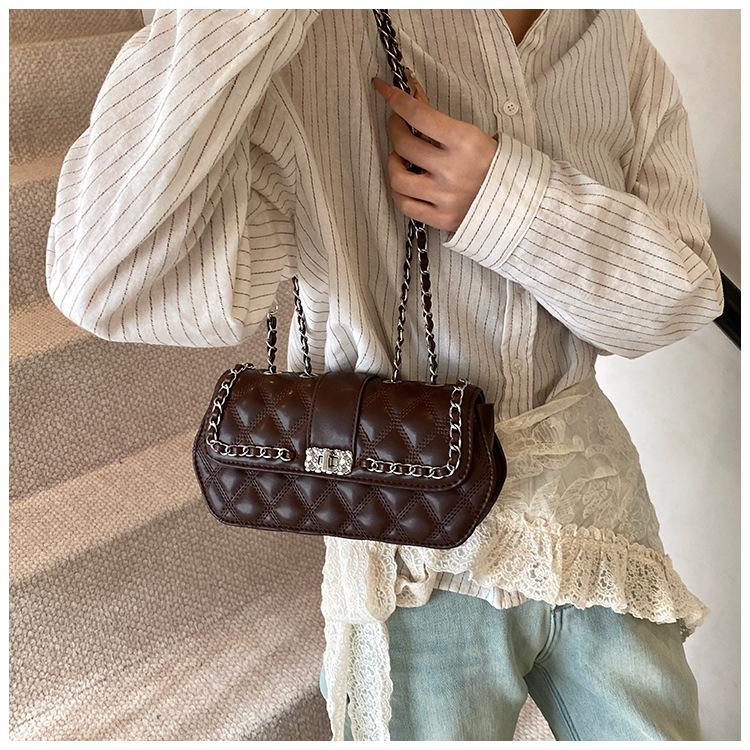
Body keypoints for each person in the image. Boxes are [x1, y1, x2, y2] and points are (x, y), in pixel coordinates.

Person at [46, 9, 724, 741]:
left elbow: (676, 301)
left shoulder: (612, 35)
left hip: (597, 514)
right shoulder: (313, 35)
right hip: (408, 538)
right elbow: (106, 280)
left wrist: (502, 197)